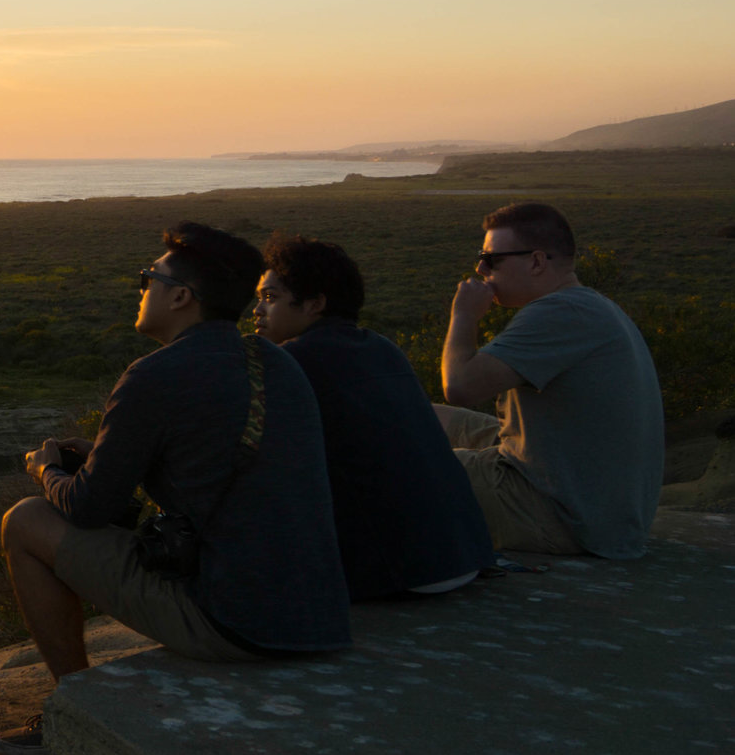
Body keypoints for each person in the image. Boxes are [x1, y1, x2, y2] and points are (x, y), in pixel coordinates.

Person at [0, 223, 350, 755]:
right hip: (318, 614)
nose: (141, 288)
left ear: (181, 296)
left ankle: (79, 708)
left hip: (237, 624)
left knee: (23, 522)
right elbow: (212, 459)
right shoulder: (273, 360)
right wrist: (105, 453)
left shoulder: (154, 376)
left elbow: (90, 509)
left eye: (148, 278)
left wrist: (47, 470)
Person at [254, 234, 494, 600]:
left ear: (315, 303)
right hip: (462, 558)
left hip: (395, 572)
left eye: (270, 298)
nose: (257, 310)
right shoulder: (382, 348)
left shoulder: (292, 361)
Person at [437, 202, 663, 558]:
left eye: (491, 258)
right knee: (416, 415)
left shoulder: (561, 312)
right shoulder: (592, 307)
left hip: (560, 514)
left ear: (537, 261)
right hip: (581, 496)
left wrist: (463, 315)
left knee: (400, 458)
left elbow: (460, 386)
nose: (480, 268)